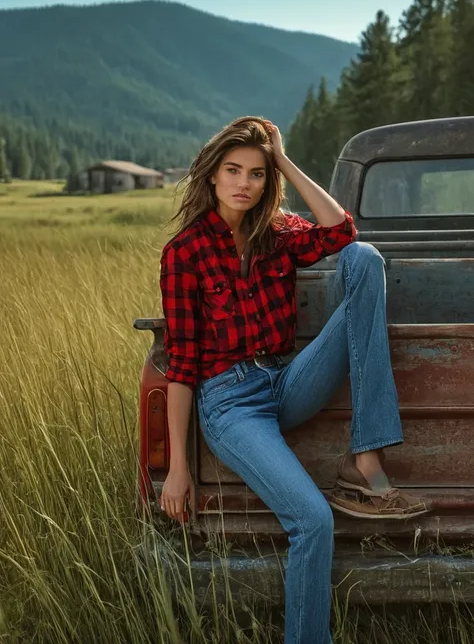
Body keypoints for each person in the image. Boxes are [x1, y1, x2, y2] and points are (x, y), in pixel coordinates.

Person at [158, 116, 430, 644]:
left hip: (284, 382)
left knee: (363, 257)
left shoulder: (277, 233)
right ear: (212, 175)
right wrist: (177, 467)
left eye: (257, 174)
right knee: (313, 522)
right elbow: (184, 365)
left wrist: (283, 159)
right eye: (233, 170)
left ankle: (365, 459)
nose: (244, 183)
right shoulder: (184, 253)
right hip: (230, 405)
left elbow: (341, 232)